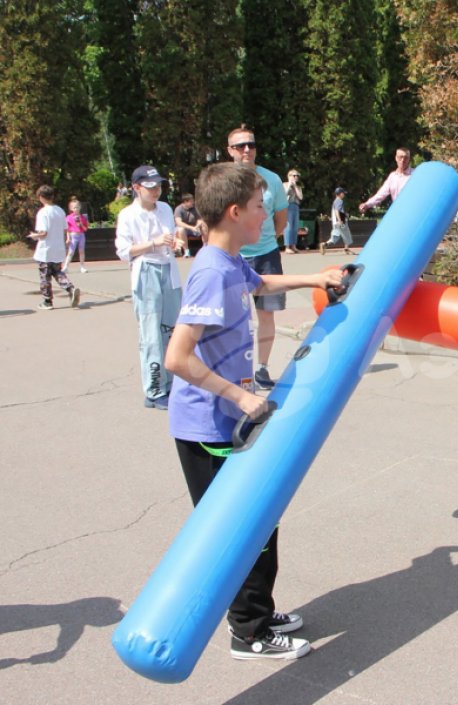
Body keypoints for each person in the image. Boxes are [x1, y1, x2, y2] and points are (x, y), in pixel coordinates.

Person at [165, 162, 343, 660]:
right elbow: (176, 357)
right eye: (260, 206)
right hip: (207, 427)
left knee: (261, 520)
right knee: (240, 528)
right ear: (234, 212)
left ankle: (257, 611)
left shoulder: (229, 261)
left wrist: (317, 278)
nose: (267, 215)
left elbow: (259, 284)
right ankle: (249, 631)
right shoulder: (209, 273)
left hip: (228, 420)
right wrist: (240, 396)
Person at [114, 165, 186, 410]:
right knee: (151, 334)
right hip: (146, 271)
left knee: (173, 330)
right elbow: (124, 251)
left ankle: (174, 382)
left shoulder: (164, 208)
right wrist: (153, 243)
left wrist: (176, 243)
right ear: (136, 188)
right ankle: (155, 389)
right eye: (150, 187)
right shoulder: (128, 215)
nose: (156, 190)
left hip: (169, 270)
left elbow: (172, 237)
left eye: (159, 186)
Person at [226, 124, 288, 390]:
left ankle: (261, 368)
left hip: (266, 256)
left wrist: (265, 238)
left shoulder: (271, 179)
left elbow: (281, 218)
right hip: (233, 256)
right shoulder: (224, 180)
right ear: (230, 150)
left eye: (251, 144)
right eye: (240, 146)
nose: (247, 150)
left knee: (266, 315)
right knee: (233, 317)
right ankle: (235, 370)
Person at [28, 185, 80, 311]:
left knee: (45, 276)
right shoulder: (60, 211)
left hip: (46, 249)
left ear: (41, 197)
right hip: (58, 248)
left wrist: (34, 236)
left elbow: (43, 232)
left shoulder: (43, 212)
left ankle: (47, 301)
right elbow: (65, 228)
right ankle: (70, 288)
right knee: (57, 272)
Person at [358, 147, 413, 213]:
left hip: (412, 212)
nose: (403, 160)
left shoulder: (415, 174)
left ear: (409, 159)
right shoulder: (392, 177)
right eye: (400, 157)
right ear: (396, 158)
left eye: (406, 158)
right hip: (398, 212)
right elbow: (381, 194)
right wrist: (367, 204)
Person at [320, 187, 353, 255]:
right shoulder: (339, 201)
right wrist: (340, 220)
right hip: (340, 221)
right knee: (347, 235)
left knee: (335, 237)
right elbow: (337, 211)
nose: (344, 194)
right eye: (343, 193)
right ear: (340, 194)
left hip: (335, 222)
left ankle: (324, 244)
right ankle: (346, 249)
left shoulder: (335, 201)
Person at [174, 193, 206, 258]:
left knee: (204, 225)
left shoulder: (195, 208)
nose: (193, 203)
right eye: (191, 201)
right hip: (185, 229)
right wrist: (191, 228)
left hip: (194, 228)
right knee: (181, 229)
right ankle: (186, 251)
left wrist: (196, 226)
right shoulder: (178, 209)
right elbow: (179, 222)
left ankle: (205, 247)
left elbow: (200, 219)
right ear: (185, 202)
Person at [63, 198, 89, 273]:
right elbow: (68, 229)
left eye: (77, 207)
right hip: (73, 235)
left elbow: (85, 229)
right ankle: (65, 267)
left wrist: (81, 224)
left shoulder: (83, 217)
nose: (76, 209)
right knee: (70, 252)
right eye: (74, 207)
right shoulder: (69, 217)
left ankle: (82, 266)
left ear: (80, 207)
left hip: (81, 235)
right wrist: (68, 238)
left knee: (81, 251)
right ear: (71, 208)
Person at [282, 169, 302, 254]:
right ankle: (287, 246)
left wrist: (295, 187)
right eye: (294, 175)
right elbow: (283, 195)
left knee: (295, 226)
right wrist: (289, 185)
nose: (296, 177)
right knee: (288, 226)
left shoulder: (298, 187)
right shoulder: (284, 185)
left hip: (295, 206)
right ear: (289, 176)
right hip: (287, 206)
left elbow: (300, 197)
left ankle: (293, 246)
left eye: (297, 175)